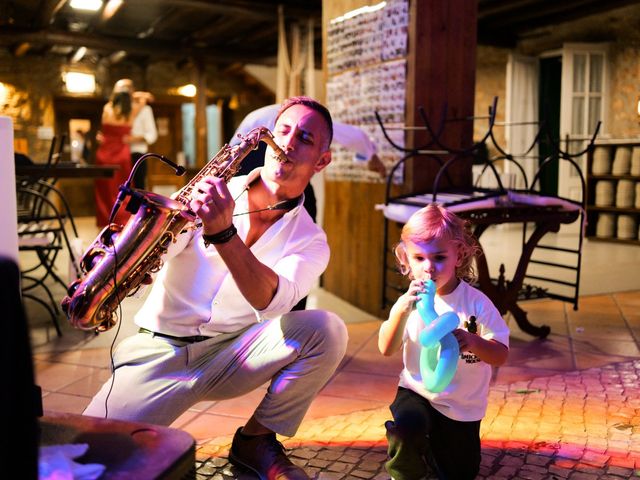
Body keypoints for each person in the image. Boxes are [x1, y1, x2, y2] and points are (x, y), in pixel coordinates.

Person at [83, 96, 349, 480]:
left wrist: (224, 233)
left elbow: (272, 303)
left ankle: (255, 439)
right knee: (91, 457)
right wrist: (124, 259)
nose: (288, 143)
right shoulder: (206, 193)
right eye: (283, 131)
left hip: (233, 355)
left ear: (321, 161)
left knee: (327, 330)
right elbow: (159, 246)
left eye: (305, 138)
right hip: (160, 352)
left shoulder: (311, 239)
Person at [378, 204, 510, 480]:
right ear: (406, 260)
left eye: (439, 257)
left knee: (459, 471)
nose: (428, 268)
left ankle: (435, 448)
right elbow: (386, 348)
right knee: (406, 428)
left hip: (461, 403)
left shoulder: (476, 303)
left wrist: (474, 341)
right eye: (419, 258)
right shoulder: (409, 304)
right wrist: (399, 312)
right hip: (417, 390)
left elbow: (500, 355)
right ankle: (403, 471)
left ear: (458, 255)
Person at [112, 78, 158, 190]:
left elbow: (152, 135)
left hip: (136, 154)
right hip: (116, 154)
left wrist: (133, 139)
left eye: (126, 88)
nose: (124, 91)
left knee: (137, 190)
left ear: (132, 90)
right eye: (121, 88)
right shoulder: (114, 111)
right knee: (117, 187)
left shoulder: (144, 109)